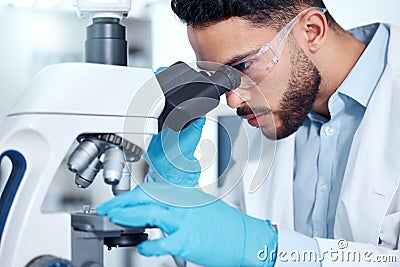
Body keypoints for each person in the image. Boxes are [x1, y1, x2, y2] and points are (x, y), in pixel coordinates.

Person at [97, 0, 400, 266]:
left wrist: (268, 249)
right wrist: (176, 195)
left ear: (312, 31)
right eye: (221, 77)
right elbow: (225, 252)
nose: (232, 100)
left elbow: (251, 247)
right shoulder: (273, 117)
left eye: (242, 66)